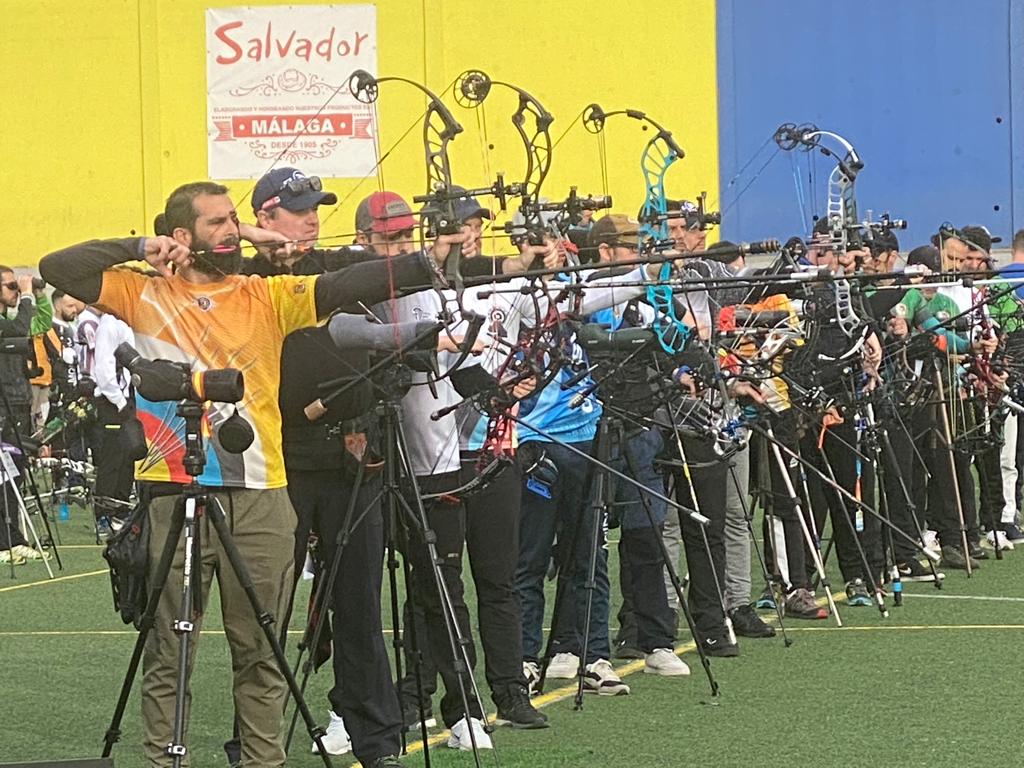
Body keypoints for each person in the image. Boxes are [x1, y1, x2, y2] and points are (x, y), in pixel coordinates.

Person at [40, 179, 461, 768]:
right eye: (217, 223)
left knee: (261, 648)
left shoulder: (266, 294)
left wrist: (426, 261)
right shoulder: (142, 292)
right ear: (182, 235)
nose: (231, 230)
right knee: (168, 650)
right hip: (173, 487)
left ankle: (263, 761)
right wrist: (141, 243)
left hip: (261, 493)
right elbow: (57, 266)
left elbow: (343, 282)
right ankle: (165, 760)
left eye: (233, 219)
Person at [237, 168, 406, 765]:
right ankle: (253, 738)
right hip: (278, 459)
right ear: (265, 217)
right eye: (300, 209)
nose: (312, 218)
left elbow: (394, 270)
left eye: (317, 208)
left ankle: (376, 738)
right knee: (265, 608)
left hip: (353, 456)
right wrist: (249, 246)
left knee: (359, 602)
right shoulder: (240, 278)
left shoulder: (339, 270)